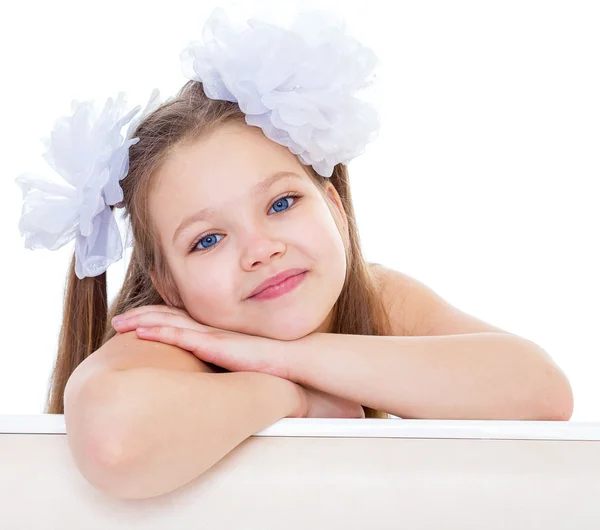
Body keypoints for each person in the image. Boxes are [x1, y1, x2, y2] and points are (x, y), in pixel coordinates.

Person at [15, 5, 573, 499]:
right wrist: (291, 397)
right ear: (167, 285)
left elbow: (540, 392)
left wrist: (283, 357)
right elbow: (115, 443)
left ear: (335, 208)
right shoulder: (169, 339)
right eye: (207, 240)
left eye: (281, 203)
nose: (261, 249)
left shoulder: (379, 299)